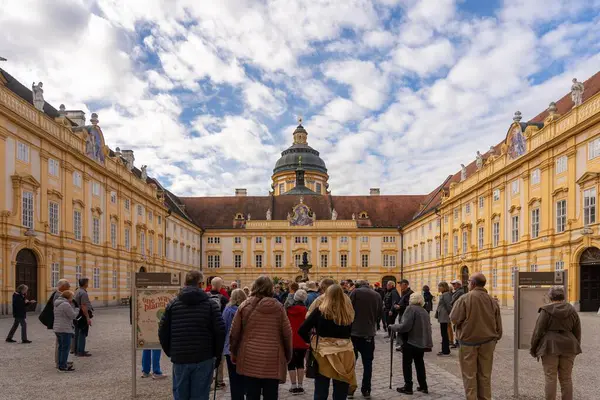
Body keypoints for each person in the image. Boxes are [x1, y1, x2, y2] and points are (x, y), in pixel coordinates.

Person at [159, 270, 226, 400]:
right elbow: (220, 331)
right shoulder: (211, 304)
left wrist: (172, 352)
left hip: (180, 358)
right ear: (201, 284)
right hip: (204, 357)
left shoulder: (173, 304)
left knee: (181, 396)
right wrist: (217, 355)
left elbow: (163, 331)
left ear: (185, 283)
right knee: (200, 395)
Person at [229, 276, 293, 400]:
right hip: (272, 357)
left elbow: (234, 333)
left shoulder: (244, 305)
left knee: (252, 394)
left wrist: (233, 352)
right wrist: (288, 354)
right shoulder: (279, 307)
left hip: (250, 356)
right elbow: (287, 334)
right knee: (271, 394)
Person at [299, 284, 357, 400]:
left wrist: (309, 342)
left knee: (321, 388)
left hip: (324, 353)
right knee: (341, 389)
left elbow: (302, 330)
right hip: (345, 353)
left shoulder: (320, 311)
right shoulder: (347, 312)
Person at [450, 273, 502, 400]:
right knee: (485, 375)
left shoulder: (465, 298)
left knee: (469, 375)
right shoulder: (492, 300)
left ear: (472, 283)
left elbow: (454, 318)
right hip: (488, 342)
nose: (468, 284)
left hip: (468, 342)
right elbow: (498, 324)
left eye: (468, 282)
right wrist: (496, 337)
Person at [530, 286, 581, 400]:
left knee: (550, 377)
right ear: (563, 296)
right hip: (569, 346)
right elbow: (577, 332)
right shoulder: (572, 310)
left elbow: (538, 332)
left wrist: (534, 348)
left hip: (550, 346)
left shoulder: (546, 311)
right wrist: (575, 346)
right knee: (566, 378)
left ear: (550, 297)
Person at [390, 293, 433, 395]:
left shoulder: (410, 309)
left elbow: (406, 326)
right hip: (420, 342)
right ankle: (423, 386)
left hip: (410, 341)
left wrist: (393, 327)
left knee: (407, 364)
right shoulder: (424, 311)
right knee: (419, 364)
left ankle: (408, 387)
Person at [349, 280, 382, 398]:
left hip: (354, 333)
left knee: (351, 363)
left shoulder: (355, 293)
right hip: (369, 333)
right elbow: (379, 313)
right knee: (368, 364)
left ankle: (350, 389)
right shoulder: (377, 295)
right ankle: (366, 389)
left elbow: (349, 310)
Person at [223, 289, 248, 400]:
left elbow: (223, 328)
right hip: (246, 348)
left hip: (230, 348)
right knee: (246, 376)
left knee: (234, 377)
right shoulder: (247, 309)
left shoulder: (228, 310)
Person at [286, 289, 309, 394]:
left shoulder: (288, 310)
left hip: (290, 339)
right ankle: (300, 386)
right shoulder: (306, 310)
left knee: (291, 363)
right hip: (302, 339)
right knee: (300, 363)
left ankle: (293, 385)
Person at [208, 277, 228, 389]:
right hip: (219, 331)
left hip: (207, 331)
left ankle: (209, 379)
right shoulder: (223, 299)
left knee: (209, 356)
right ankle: (219, 381)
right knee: (220, 357)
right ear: (220, 286)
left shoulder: (205, 297)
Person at [53, 290, 79, 372]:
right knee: (65, 348)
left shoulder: (57, 303)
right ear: (68, 297)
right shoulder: (65, 304)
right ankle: (63, 366)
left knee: (61, 347)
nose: (72, 299)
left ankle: (61, 365)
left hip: (57, 328)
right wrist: (77, 309)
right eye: (72, 297)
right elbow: (73, 316)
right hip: (65, 328)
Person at [74, 278, 93, 357]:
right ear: (85, 284)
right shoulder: (83, 293)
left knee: (77, 332)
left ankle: (77, 350)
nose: (88, 284)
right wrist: (87, 318)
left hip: (78, 314)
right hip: (82, 315)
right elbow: (84, 306)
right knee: (82, 332)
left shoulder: (77, 291)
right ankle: (81, 351)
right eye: (87, 282)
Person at [395, 279, 413, 350]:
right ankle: (402, 344)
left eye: (401, 284)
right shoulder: (404, 292)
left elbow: (410, 305)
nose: (399, 286)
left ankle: (404, 345)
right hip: (401, 313)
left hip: (406, 314)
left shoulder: (410, 293)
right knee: (401, 329)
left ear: (405, 284)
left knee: (404, 329)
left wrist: (400, 306)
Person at [436, 282, 452, 357]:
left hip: (444, 317)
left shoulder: (446, 295)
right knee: (444, 334)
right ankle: (445, 350)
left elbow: (449, 306)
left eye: (440, 287)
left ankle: (446, 351)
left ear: (444, 287)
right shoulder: (444, 294)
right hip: (443, 316)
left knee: (444, 334)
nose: (438, 288)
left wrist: (450, 315)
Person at [450, 279, 466, 348]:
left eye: (454, 284)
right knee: (456, 327)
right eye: (452, 284)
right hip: (457, 310)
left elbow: (453, 301)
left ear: (459, 285)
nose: (453, 286)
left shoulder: (460, 292)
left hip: (458, 311)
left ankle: (458, 342)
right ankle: (458, 341)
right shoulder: (458, 291)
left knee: (457, 327)